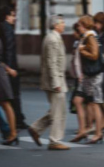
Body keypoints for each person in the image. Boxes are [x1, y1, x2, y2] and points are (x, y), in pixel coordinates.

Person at [27, 15, 69, 150]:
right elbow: (51, 63)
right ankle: (54, 141)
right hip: (55, 82)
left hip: (56, 80)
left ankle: (35, 129)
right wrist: (56, 82)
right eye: (62, 22)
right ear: (55, 25)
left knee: (56, 110)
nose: (64, 24)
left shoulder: (54, 37)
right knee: (58, 112)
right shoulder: (52, 39)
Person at [70, 15, 104, 144]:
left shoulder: (90, 37)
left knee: (95, 103)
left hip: (94, 76)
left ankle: (98, 133)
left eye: (79, 25)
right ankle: (82, 130)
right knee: (78, 100)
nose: (78, 27)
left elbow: (94, 55)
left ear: (84, 25)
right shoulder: (85, 37)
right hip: (86, 76)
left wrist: (82, 50)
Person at [0, 6, 28, 129]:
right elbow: (9, 49)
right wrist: (10, 68)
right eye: (12, 15)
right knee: (14, 95)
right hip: (8, 67)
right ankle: (18, 121)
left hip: (2, 66)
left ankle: (14, 122)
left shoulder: (0, 27)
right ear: (7, 16)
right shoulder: (7, 28)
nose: (14, 18)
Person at [0, 31, 18, 146]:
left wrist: (8, 70)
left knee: (5, 104)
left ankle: (12, 133)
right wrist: (9, 69)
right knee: (4, 104)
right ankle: (10, 132)